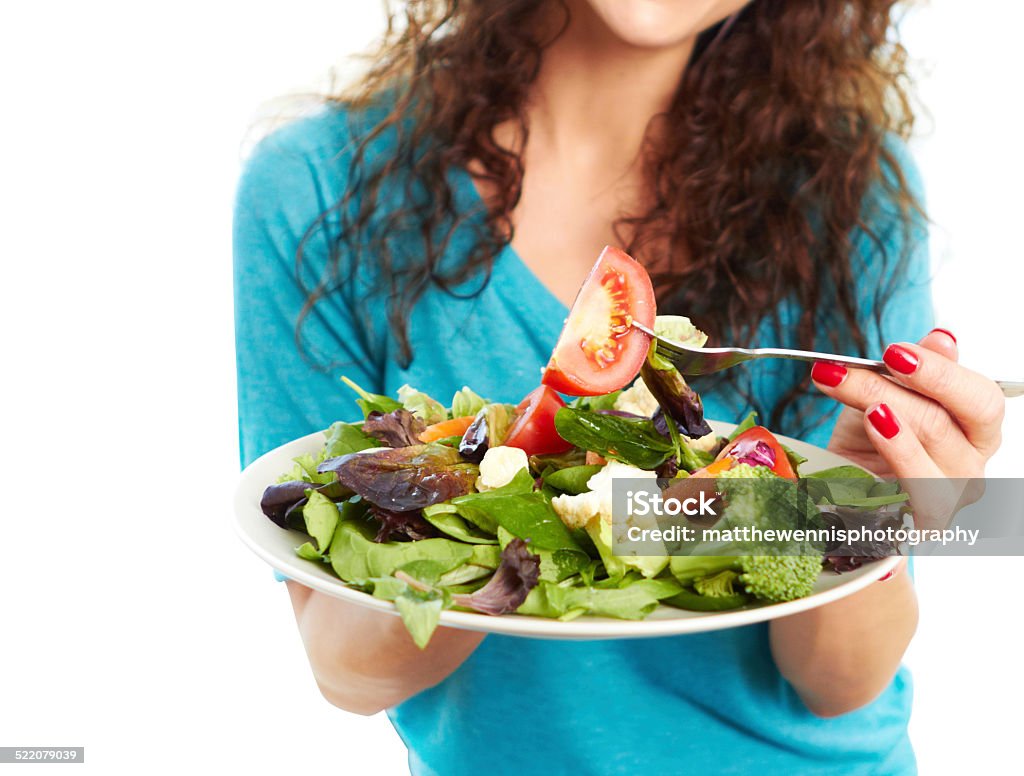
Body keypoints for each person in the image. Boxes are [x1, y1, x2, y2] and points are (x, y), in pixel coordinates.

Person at [233, 1, 1005, 773]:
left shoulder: (847, 191)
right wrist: (499, 499)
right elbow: (344, 671)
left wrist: (851, 525)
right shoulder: (318, 188)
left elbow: (838, 684)